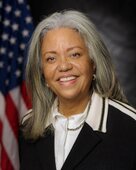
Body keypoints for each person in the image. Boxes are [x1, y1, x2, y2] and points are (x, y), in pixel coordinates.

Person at [19, 10, 136, 170]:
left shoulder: (130, 127)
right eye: (51, 58)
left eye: (74, 54)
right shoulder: (28, 126)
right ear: (42, 72)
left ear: (93, 62)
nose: (64, 66)